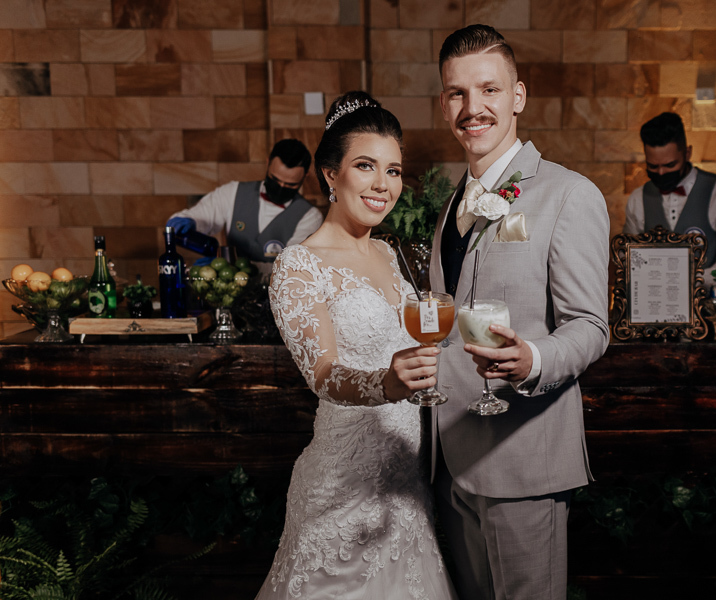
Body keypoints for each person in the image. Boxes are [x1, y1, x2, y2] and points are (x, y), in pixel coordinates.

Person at [429, 25, 610, 600]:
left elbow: (591, 326)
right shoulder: (451, 204)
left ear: (518, 97)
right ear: (444, 103)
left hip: (523, 456)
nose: (472, 108)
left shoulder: (568, 195)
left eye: (488, 90)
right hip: (449, 457)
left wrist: (533, 358)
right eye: (457, 93)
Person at [256, 92, 457, 600]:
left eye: (393, 171)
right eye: (365, 166)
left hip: (407, 482)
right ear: (330, 174)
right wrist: (384, 383)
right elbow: (321, 373)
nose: (382, 185)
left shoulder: (391, 255)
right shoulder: (301, 265)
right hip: (343, 487)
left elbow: (420, 334)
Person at [624, 112, 716, 288]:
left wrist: (687, 281)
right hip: (654, 308)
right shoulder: (638, 198)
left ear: (688, 153)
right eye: (653, 166)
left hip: (710, 308)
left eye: (670, 165)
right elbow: (629, 259)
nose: (661, 173)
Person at [166, 139, 323, 269]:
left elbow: (290, 269)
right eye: (275, 180)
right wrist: (187, 221)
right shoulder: (233, 192)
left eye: (290, 185)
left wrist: (230, 266)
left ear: (305, 176)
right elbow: (201, 216)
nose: (280, 187)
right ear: (268, 164)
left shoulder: (310, 217)